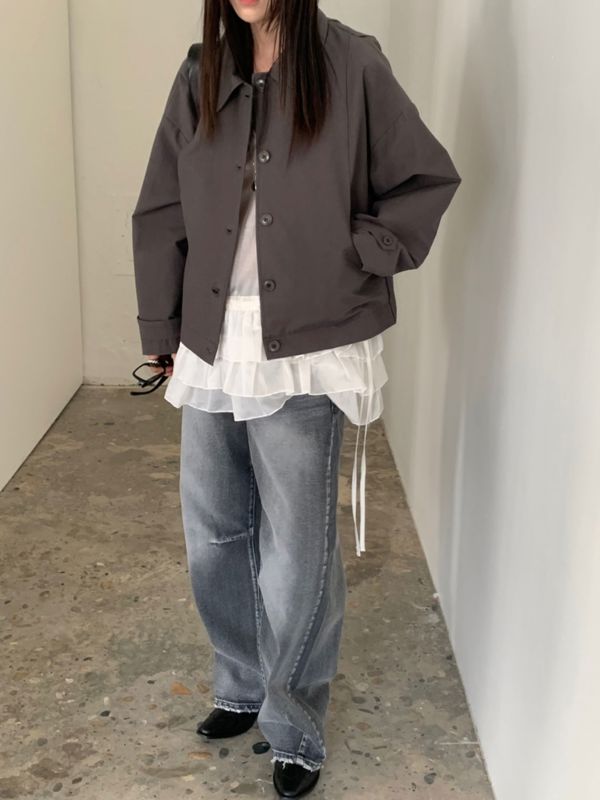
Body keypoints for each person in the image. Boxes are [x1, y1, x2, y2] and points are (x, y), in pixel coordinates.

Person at [131, 1, 461, 796]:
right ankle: (241, 683)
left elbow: (424, 178)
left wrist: (361, 255)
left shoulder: (351, 62)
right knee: (213, 531)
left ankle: (295, 726)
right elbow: (163, 206)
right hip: (213, 341)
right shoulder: (201, 72)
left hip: (308, 347)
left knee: (296, 552)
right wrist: (161, 326)